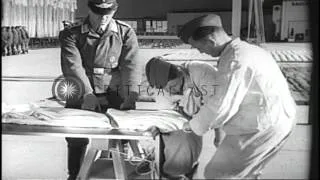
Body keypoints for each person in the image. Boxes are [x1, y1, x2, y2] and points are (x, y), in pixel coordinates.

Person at [175, 14, 297, 179]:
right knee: (248, 174)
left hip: (261, 126)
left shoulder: (235, 60)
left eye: (199, 47)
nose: (201, 52)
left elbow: (221, 105)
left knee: (217, 173)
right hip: (277, 120)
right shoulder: (246, 50)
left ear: (211, 41)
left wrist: (192, 125)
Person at [58, 0, 142, 179]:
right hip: (81, 90)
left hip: (115, 92)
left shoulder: (124, 32)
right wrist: (87, 93)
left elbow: (131, 66)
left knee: (121, 135)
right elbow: (73, 66)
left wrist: (131, 95)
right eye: (98, 12)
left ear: (115, 9)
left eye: (108, 12)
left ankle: (118, 172)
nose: (103, 17)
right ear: (89, 9)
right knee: (76, 136)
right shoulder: (71, 33)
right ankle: (74, 175)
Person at [144, 56, 225, 179]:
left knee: (227, 149)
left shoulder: (203, 73)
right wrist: (157, 128)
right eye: (167, 89)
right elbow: (166, 115)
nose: (173, 91)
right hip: (190, 116)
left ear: (181, 72)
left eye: (175, 86)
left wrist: (219, 138)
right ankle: (172, 173)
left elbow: (218, 109)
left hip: (228, 110)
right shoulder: (163, 90)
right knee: (175, 134)